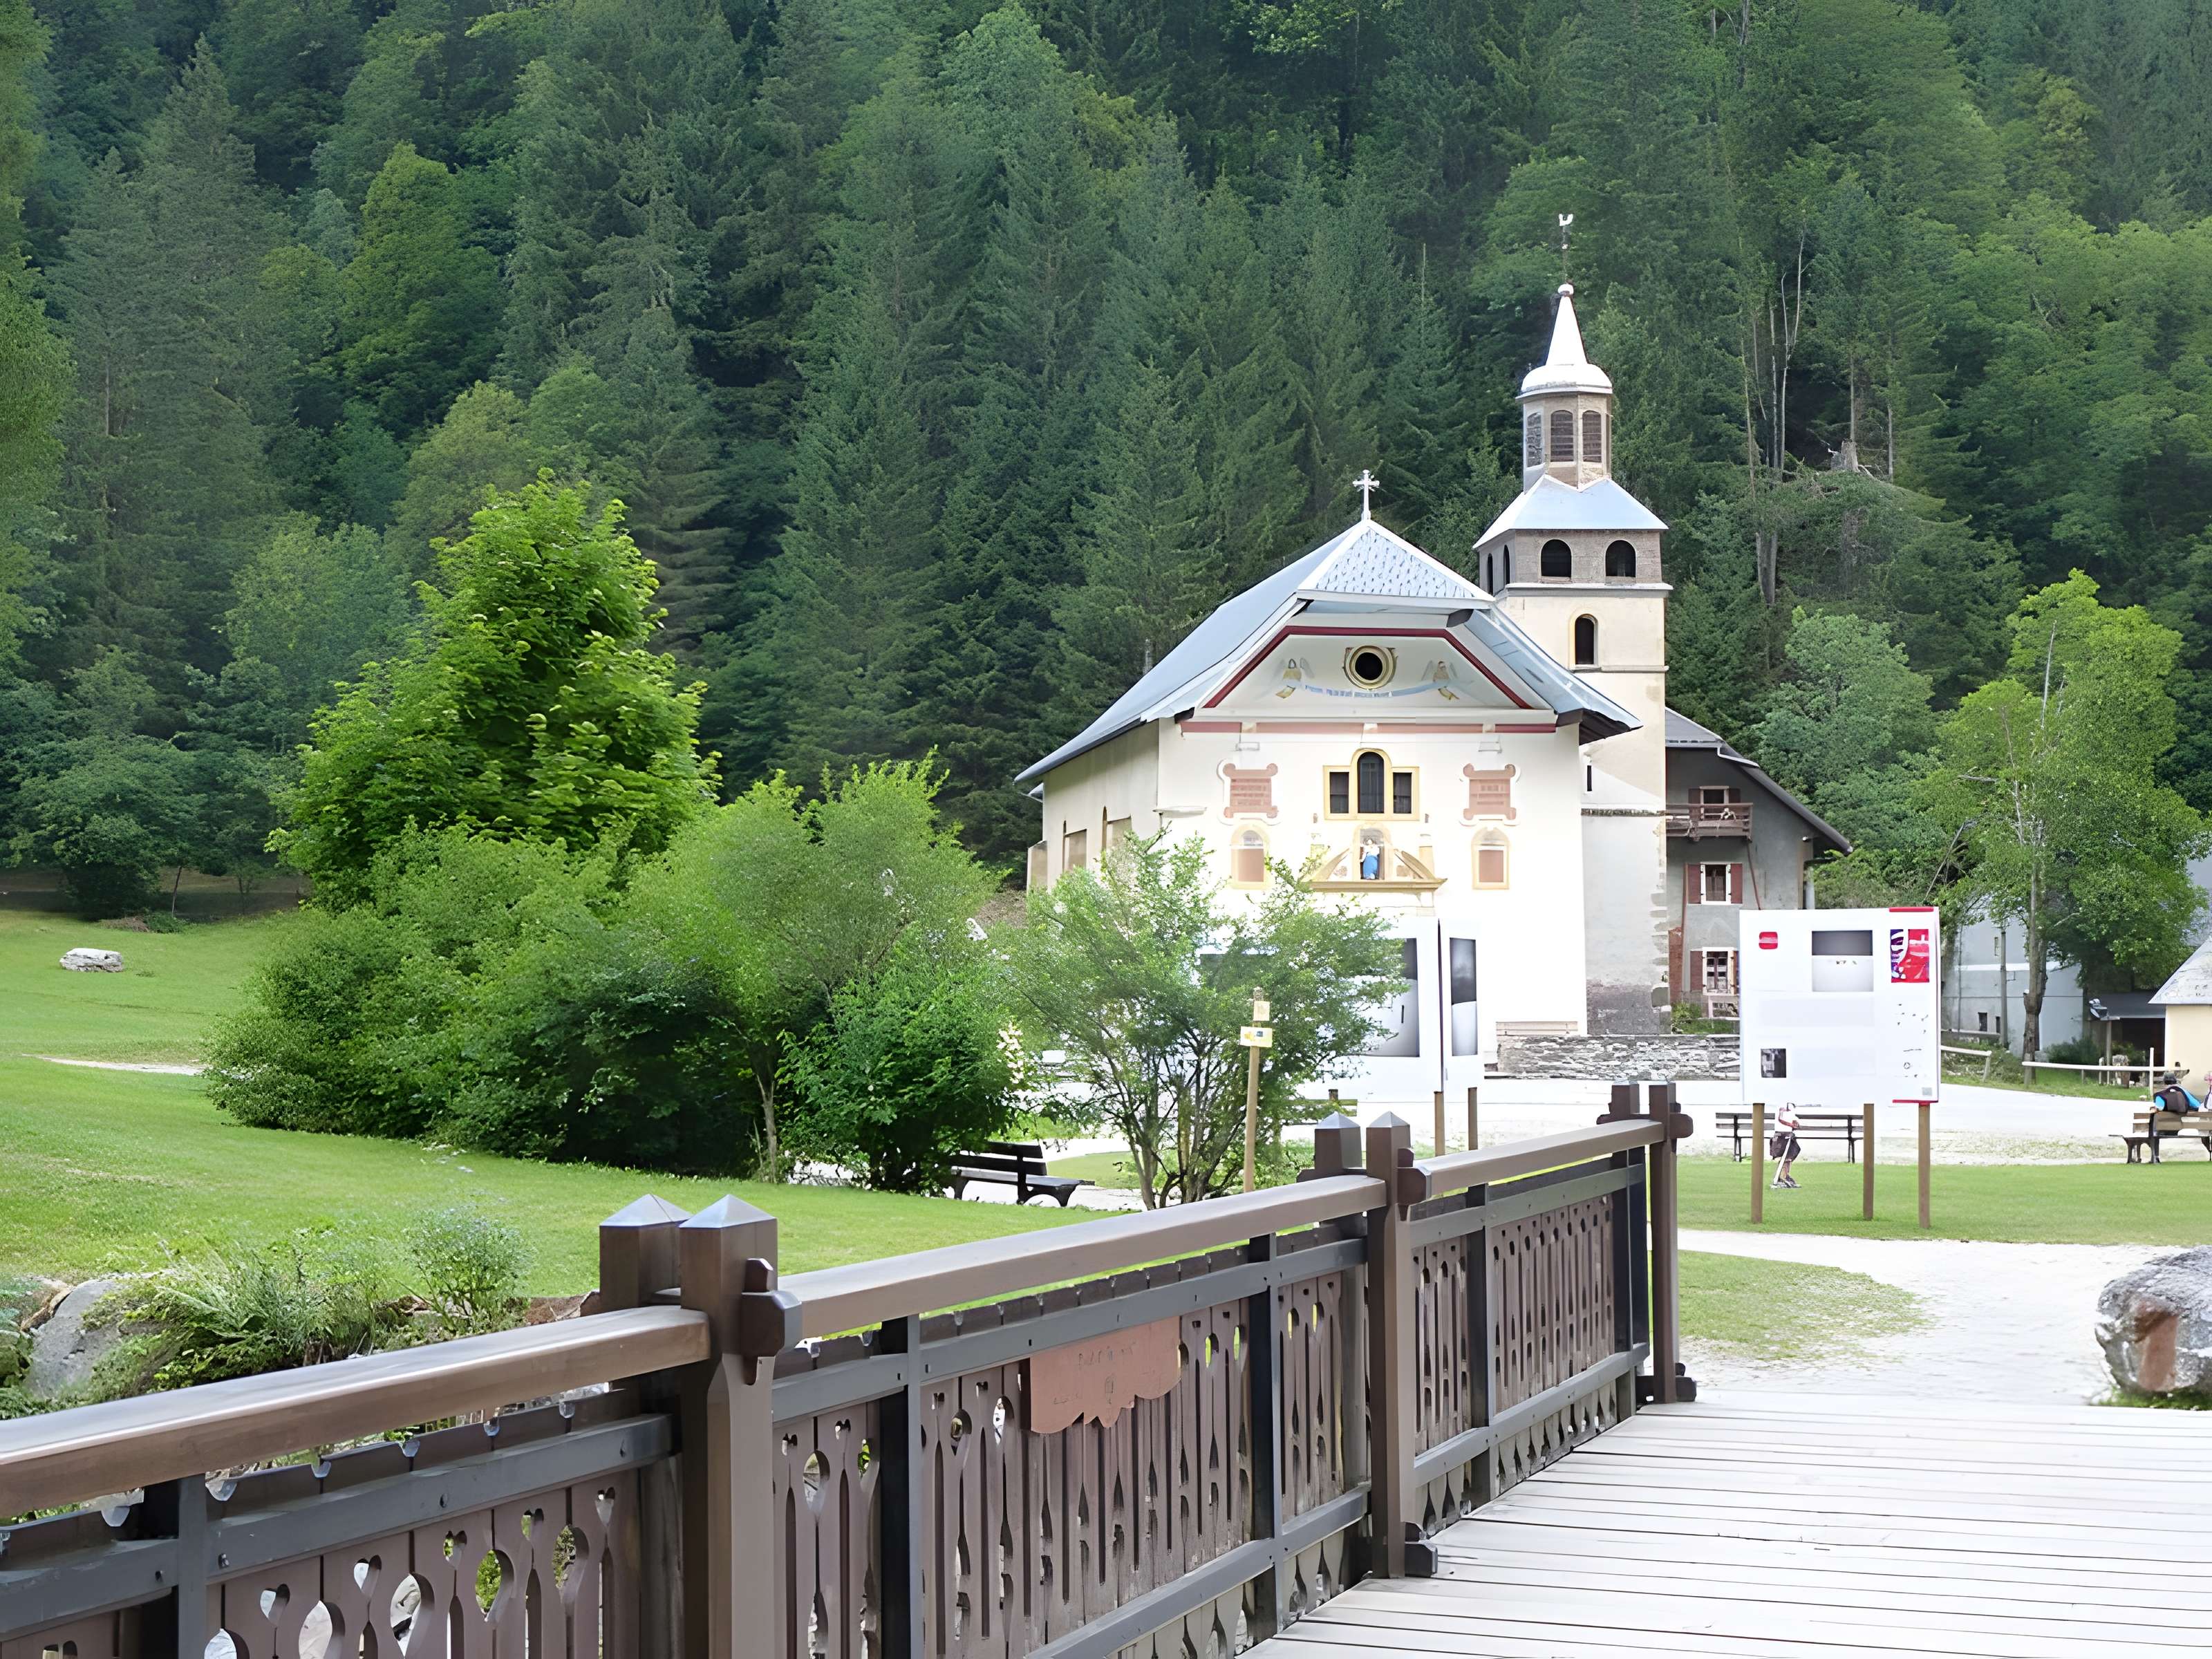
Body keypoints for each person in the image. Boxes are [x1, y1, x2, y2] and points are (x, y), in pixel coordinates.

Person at [1770, 1101, 1802, 1189]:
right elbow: (1781, 1119)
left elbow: (1790, 1119)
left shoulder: (1788, 1110)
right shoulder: (1781, 1110)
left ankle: (1785, 1176)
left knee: (1790, 1155)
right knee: (1785, 1156)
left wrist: (1794, 1123)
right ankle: (1782, 1178)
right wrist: (1791, 1124)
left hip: (1787, 1135)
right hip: (1782, 1136)